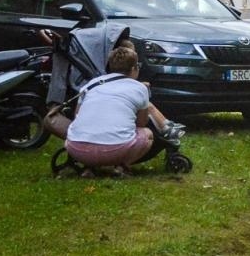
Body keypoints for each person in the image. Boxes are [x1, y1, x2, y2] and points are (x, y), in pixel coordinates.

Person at [44, 43, 173, 175]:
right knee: (147, 134)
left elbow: (77, 115)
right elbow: (141, 123)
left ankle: (89, 167)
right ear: (134, 68)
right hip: (115, 149)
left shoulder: (91, 84)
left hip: (77, 149)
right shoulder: (140, 88)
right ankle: (121, 167)